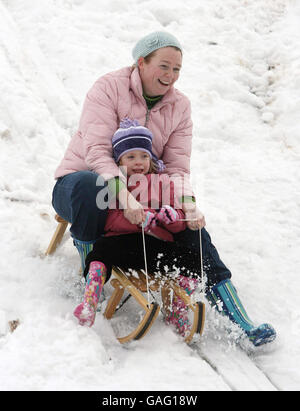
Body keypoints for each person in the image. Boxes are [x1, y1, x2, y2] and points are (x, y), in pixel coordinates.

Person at [52, 31, 276, 346]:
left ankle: (239, 319)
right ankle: (89, 277)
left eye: (177, 69)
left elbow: (176, 169)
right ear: (141, 62)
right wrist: (127, 198)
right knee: (91, 183)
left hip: (144, 198)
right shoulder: (108, 88)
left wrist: (188, 206)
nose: (170, 76)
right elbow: (96, 154)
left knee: (191, 229)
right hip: (81, 190)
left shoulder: (179, 106)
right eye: (164, 66)